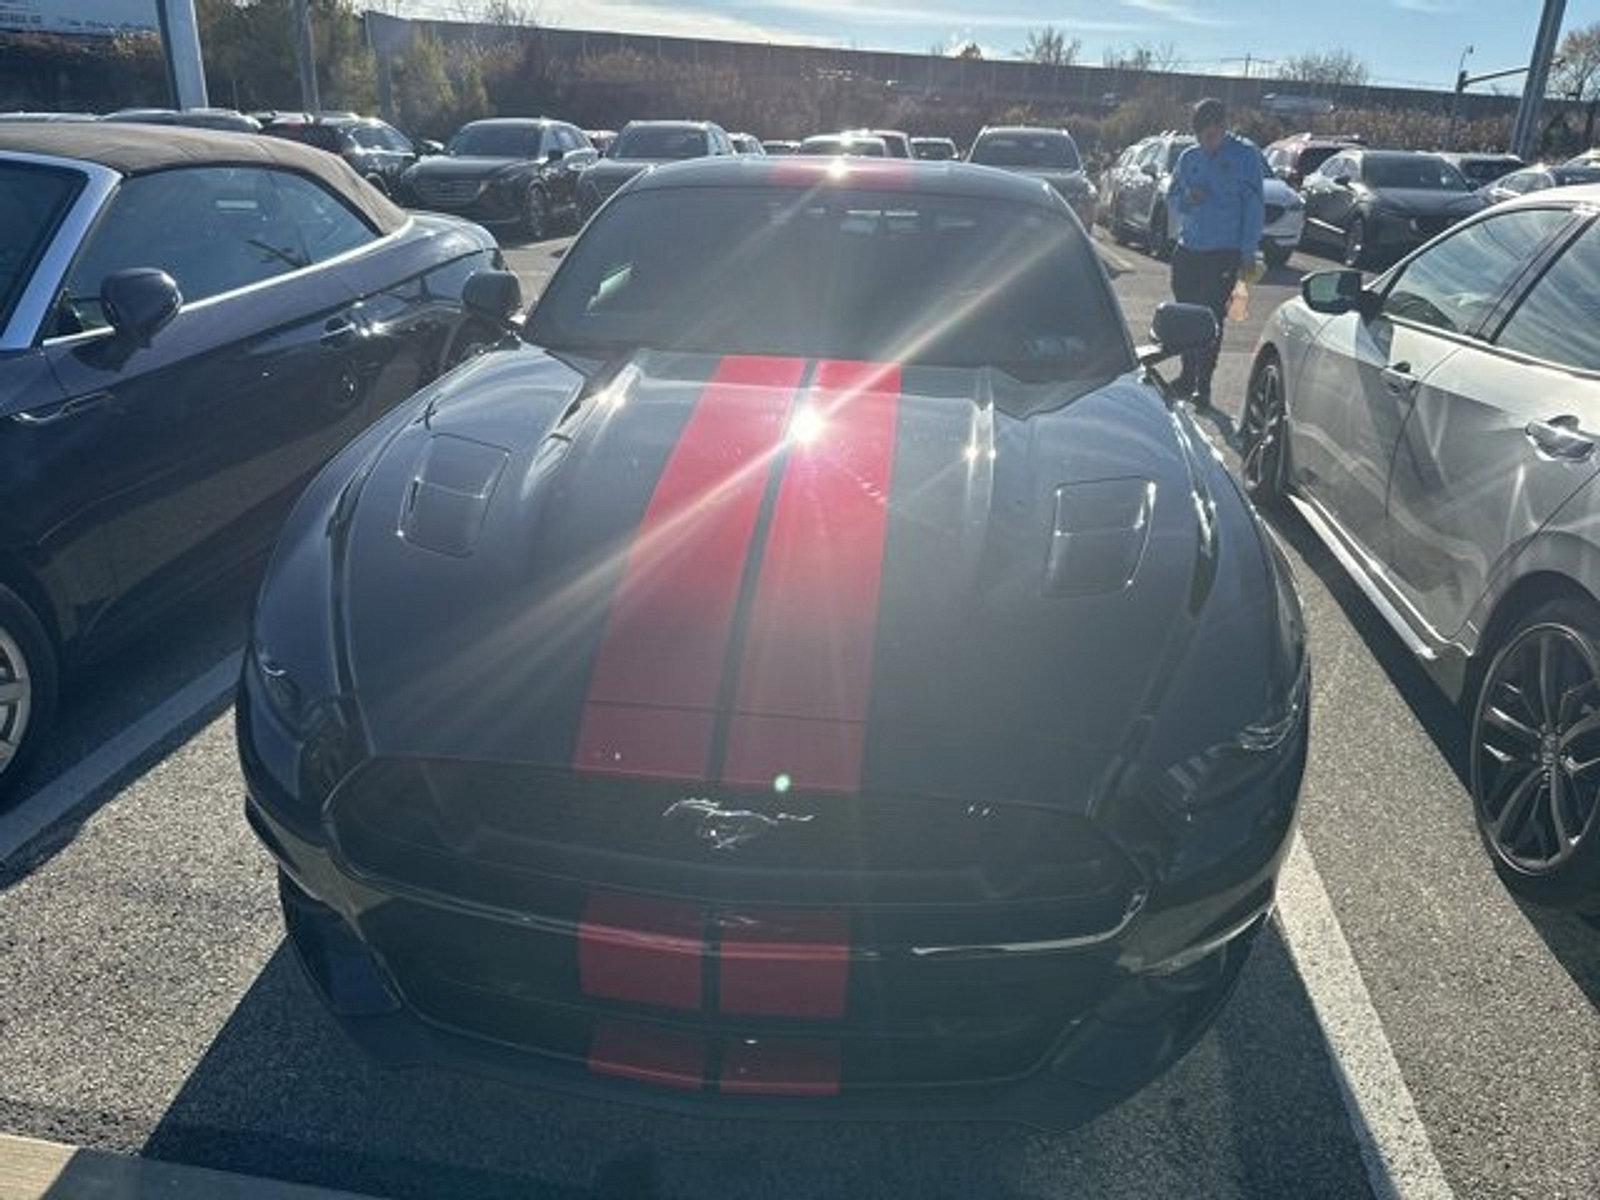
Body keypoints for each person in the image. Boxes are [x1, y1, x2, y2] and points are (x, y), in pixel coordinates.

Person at [1166, 98, 1264, 409]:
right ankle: (1186, 373)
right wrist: (1187, 198)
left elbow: (1253, 207)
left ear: (1223, 128)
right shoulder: (1189, 158)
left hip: (1224, 250)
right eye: (1202, 136)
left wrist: (1247, 252)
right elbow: (1174, 197)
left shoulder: (1245, 158)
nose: (1208, 143)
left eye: (1212, 135)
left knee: (1211, 317)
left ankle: (1202, 384)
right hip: (1189, 247)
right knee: (1186, 312)